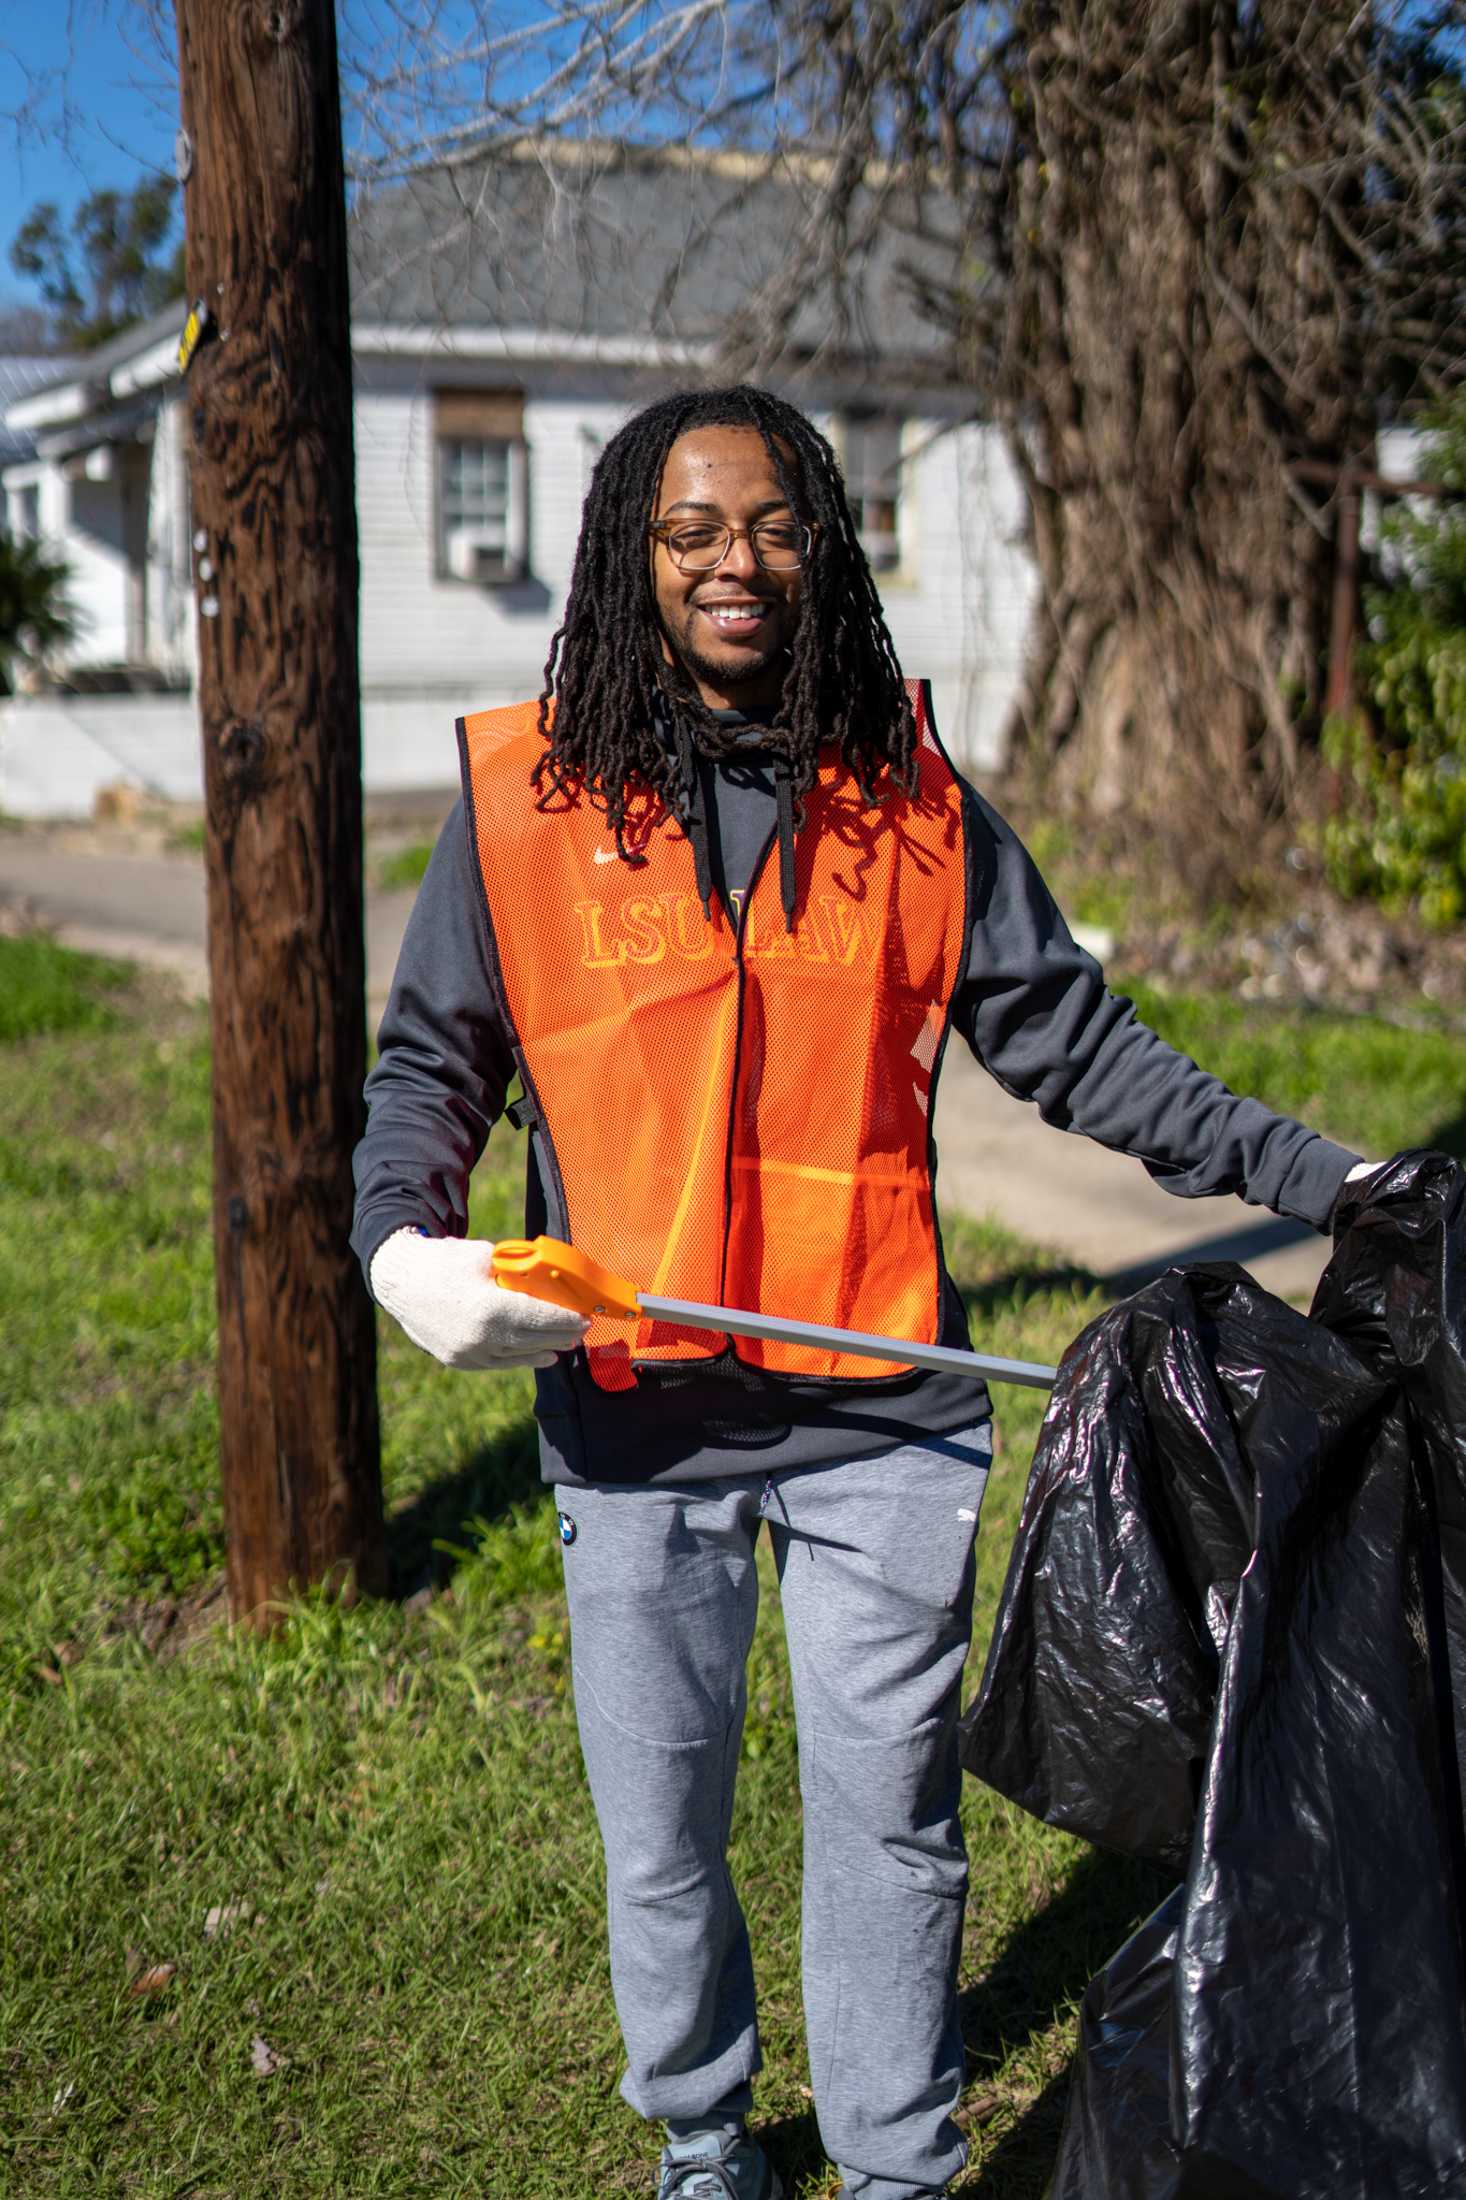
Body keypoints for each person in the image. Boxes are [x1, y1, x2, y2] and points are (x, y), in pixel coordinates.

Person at [351, 384, 1372, 2200]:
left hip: (875, 1412)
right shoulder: (525, 801)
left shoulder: (909, 800)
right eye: (689, 533)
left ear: (819, 541)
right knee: (661, 1828)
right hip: (632, 1409)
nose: (733, 562)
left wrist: (1326, 1179)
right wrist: (400, 1248)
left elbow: (1083, 1054)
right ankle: (699, 2134)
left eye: (768, 525)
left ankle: (901, 2165)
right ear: (630, 559)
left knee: (886, 1826)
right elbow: (432, 1067)